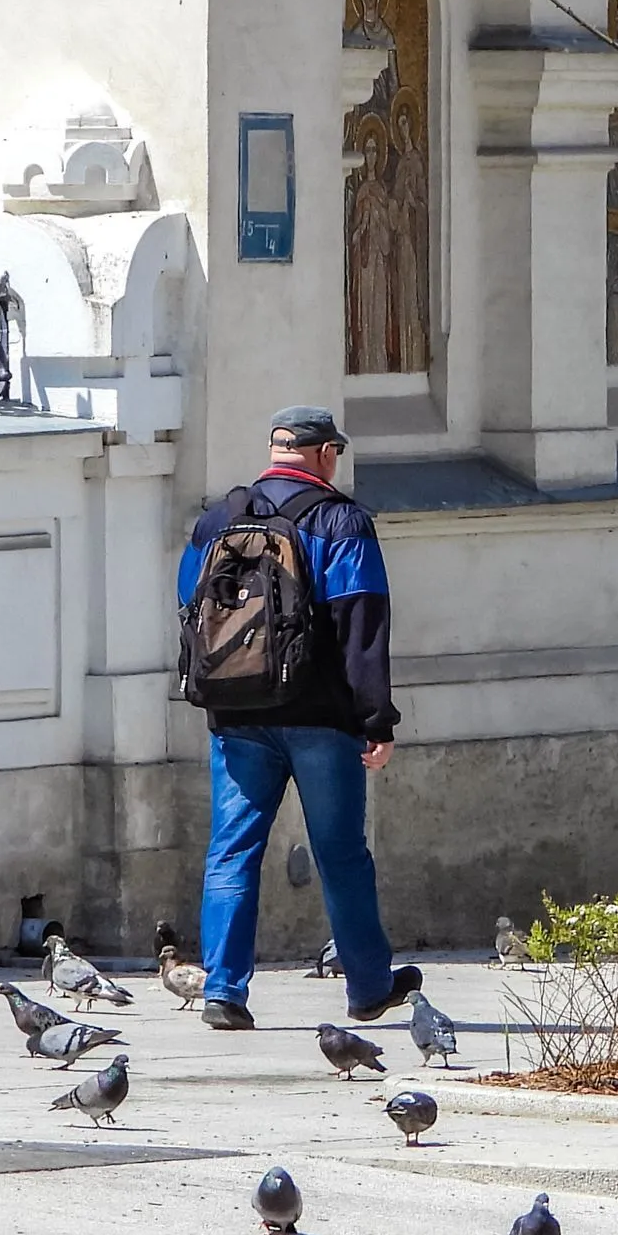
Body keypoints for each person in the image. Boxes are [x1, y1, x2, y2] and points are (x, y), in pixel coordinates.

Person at [177, 406, 416, 1030]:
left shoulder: (217, 519)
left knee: (231, 851)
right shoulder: (340, 521)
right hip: (321, 716)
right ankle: (367, 987)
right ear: (325, 454)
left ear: (274, 452)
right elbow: (361, 623)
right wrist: (376, 719)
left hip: (234, 714)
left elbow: (188, 608)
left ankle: (223, 991)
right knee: (340, 853)